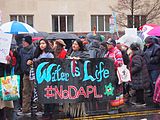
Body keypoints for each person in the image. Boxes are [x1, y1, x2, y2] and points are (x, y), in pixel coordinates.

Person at [28, 39, 54, 119]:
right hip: (39, 77)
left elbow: (51, 64)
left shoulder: (49, 54)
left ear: (47, 44)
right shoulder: (38, 54)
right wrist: (31, 62)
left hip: (46, 77)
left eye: (43, 43)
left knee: (47, 94)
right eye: (40, 44)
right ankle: (45, 111)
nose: (41, 45)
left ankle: (49, 111)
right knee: (42, 94)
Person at [65, 39, 89, 118]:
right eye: (73, 44)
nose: (74, 46)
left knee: (79, 95)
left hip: (80, 78)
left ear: (80, 46)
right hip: (71, 78)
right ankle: (71, 110)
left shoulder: (84, 54)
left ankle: (79, 111)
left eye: (76, 44)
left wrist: (80, 60)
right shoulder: (71, 53)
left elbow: (88, 62)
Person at [17, 35, 36, 116]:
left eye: (25, 41)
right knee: (25, 92)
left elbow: (36, 59)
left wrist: (31, 61)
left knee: (35, 92)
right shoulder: (21, 50)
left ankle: (39, 109)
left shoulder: (34, 50)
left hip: (33, 74)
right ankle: (25, 110)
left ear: (28, 42)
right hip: (25, 73)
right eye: (23, 41)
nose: (23, 43)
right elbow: (19, 60)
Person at [104, 38, 124, 114]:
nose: (107, 45)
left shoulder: (117, 52)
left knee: (116, 91)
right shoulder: (108, 53)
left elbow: (120, 63)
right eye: (107, 44)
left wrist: (111, 61)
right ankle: (117, 107)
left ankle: (116, 108)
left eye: (109, 44)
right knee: (113, 90)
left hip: (116, 74)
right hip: (110, 73)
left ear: (113, 45)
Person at [0, 49, 17, 120]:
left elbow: (11, 67)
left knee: (5, 104)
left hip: (3, 81)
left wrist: (8, 61)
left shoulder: (6, 50)